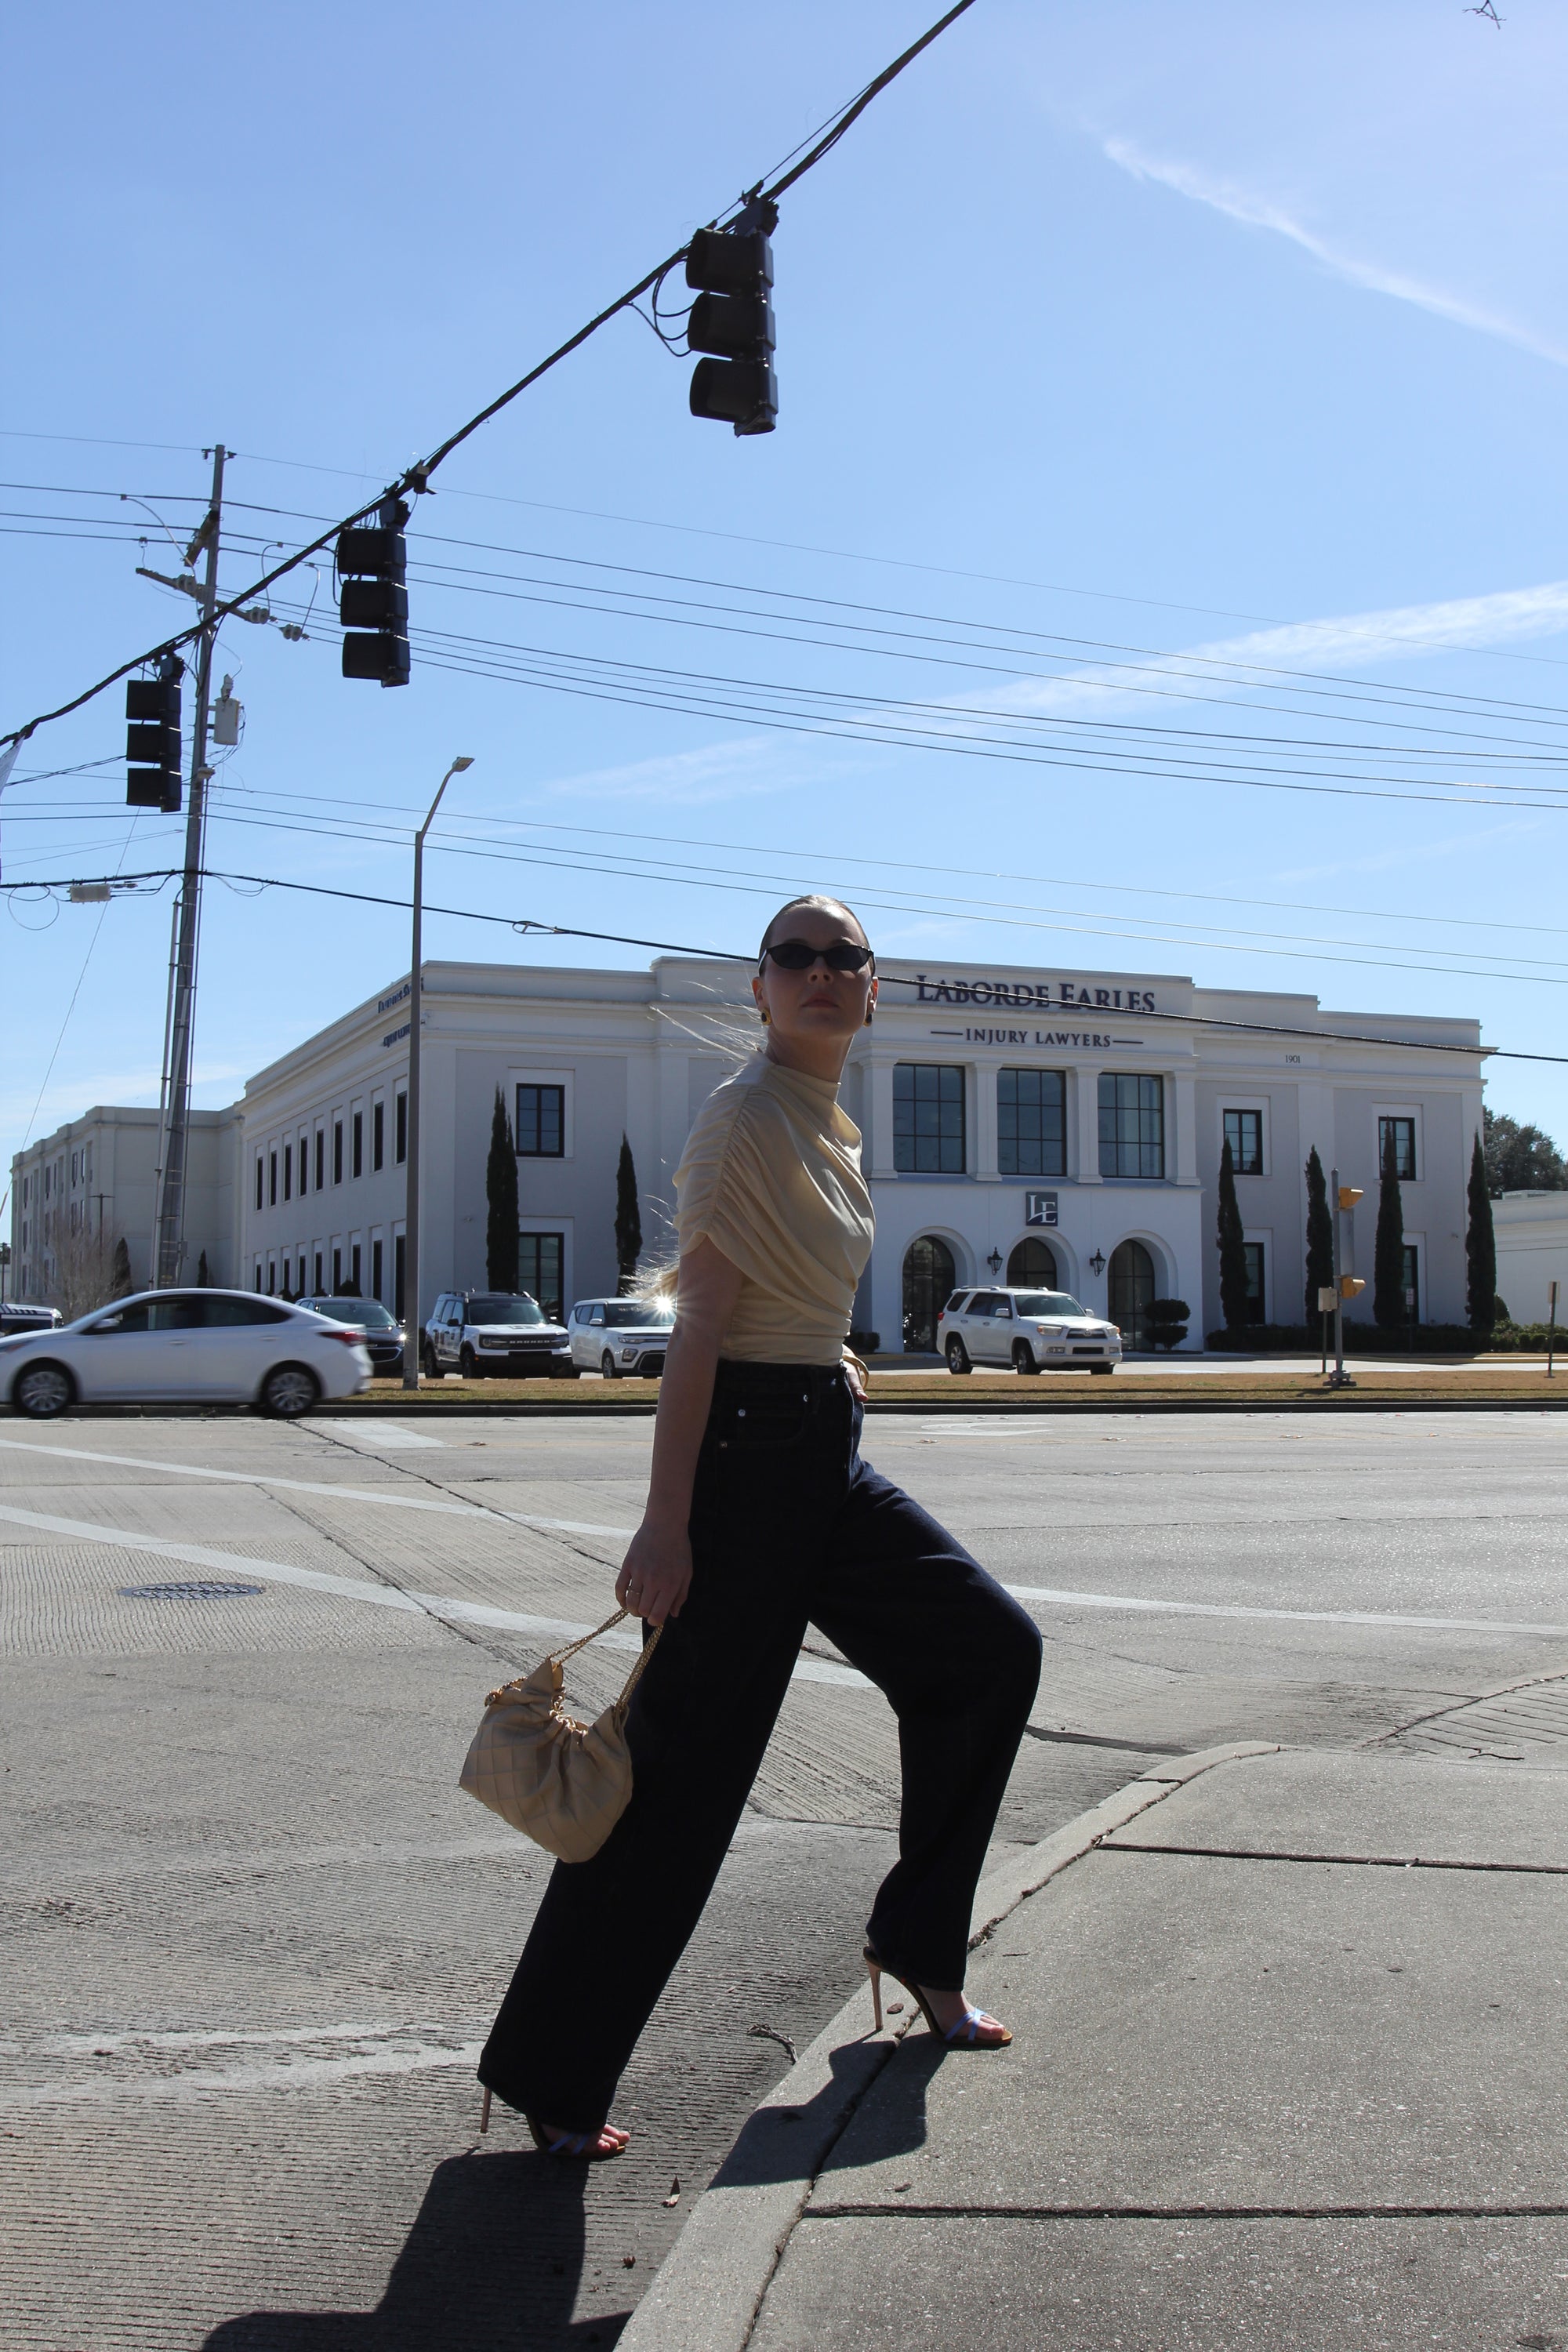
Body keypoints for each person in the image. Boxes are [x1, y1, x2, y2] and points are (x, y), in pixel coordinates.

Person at [478, 895, 1043, 2158]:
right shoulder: (746, 1118)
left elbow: (792, 1300)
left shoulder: (825, 1119)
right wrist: (664, 1526)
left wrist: (832, 1365)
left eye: (846, 957)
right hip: (743, 1463)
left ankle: (917, 1946)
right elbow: (697, 1330)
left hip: (817, 1450)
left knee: (986, 1654)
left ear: (874, 988)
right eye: (797, 957)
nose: (822, 974)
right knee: (680, 1779)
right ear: (761, 987)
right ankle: (549, 2077)